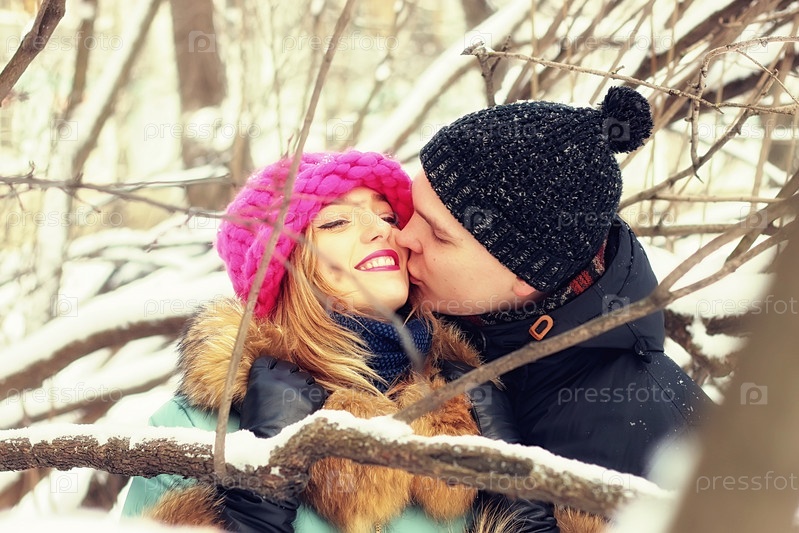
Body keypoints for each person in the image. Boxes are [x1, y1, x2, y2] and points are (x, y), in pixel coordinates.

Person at [121, 151, 577, 532]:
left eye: (387, 216)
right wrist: (251, 513)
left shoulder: (477, 404)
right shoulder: (196, 428)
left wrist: (523, 513)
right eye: (336, 221)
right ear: (283, 269)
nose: (382, 229)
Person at [392, 86, 714, 529]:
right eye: (412, 210)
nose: (404, 236)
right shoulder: (438, 320)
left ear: (527, 275)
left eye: (439, 234)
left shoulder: (649, 436)